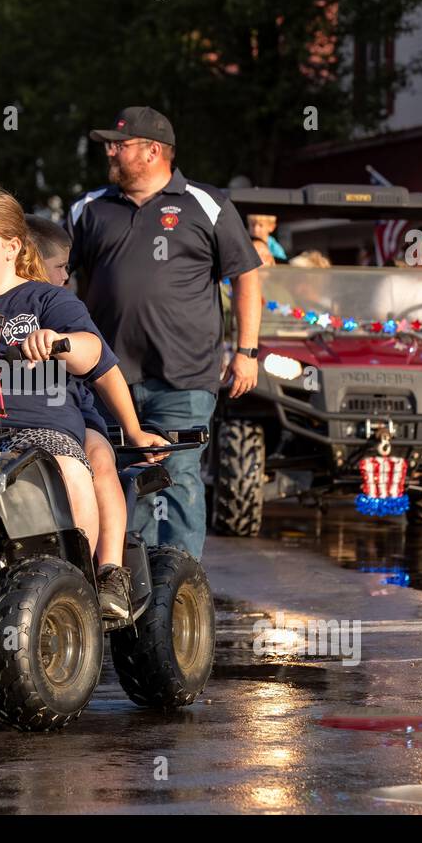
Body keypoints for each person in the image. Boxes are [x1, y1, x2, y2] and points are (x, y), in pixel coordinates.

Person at [0, 187, 167, 617]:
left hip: (38, 434)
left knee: (70, 466)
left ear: (12, 247)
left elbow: (95, 357)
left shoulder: (48, 300)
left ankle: (81, 587)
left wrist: (59, 341)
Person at [68, 106, 261, 560]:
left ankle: (176, 590)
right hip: (106, 377)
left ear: (154, 151)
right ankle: (123, 583)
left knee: (176, 478)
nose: (111, 153)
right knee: (115, 476)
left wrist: (246, 350)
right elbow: (53, 276)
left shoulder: (207, 203)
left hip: (185, 376)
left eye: (120, 145)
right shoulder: (89, 209)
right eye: (109, 145)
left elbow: (247, 275)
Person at [29, 214, 170, 616]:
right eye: (60, 267)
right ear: (31, 262)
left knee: (100, 460)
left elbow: (101, 365)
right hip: (18, 426)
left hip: (74, 412)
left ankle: (109, 570)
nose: (66, 276)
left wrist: (133, 430)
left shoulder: (57, 306)